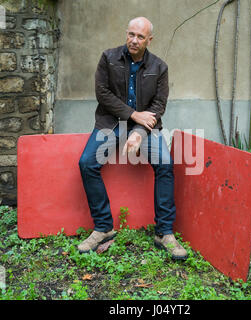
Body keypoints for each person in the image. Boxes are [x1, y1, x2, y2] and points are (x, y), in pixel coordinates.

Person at [77, 17, 187, 260]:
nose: (133, 40)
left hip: (146, 127)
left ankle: (164, 232)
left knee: (166, 165)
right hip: (111, 122)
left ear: (149, 40)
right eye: (131, 34)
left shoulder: (160, 67)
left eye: (140, 36)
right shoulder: (108, 58)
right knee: (87, 163)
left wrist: (138, 132)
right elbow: (102, 94)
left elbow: (158, 106)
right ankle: (103, 226)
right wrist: (133, 115)